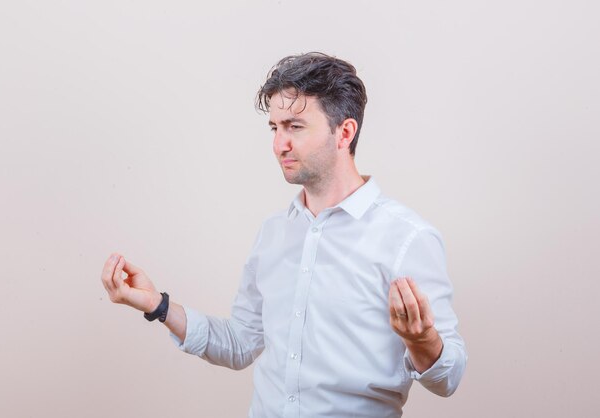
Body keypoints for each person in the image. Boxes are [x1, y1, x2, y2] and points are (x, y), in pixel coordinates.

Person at [100, 52, 467, 417]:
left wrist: (422, 340)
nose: (279, 145)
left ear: (345, 132)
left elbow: (448, 378)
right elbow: (240, 343)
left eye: (295, 126)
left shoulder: (407, 237)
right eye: (275, 127)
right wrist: (157, 306)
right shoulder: (275, 232)